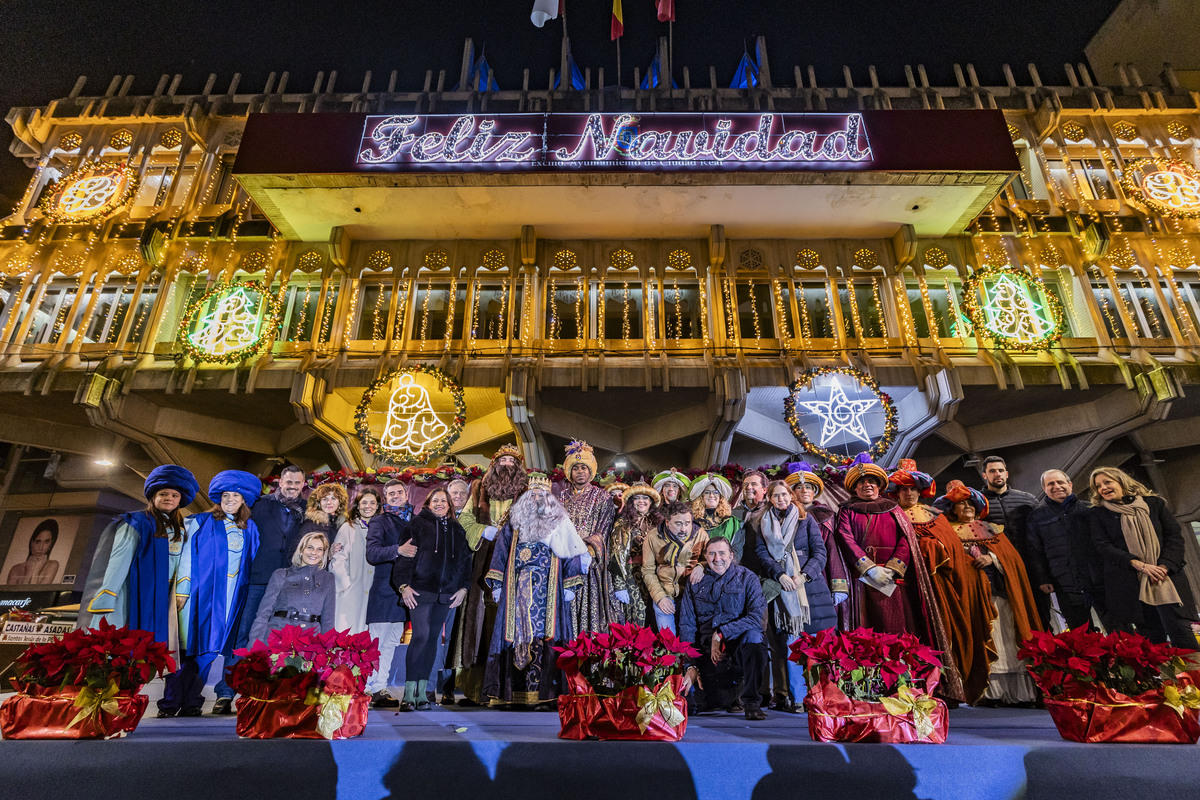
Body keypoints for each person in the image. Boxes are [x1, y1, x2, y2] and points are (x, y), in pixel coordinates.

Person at [833, 454, 961, 698]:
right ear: (854, 487)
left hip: (894, 580)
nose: (867, 485)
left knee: (896, 628)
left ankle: (903, 685)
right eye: (861, 482)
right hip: (863, 582)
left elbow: (906, 540)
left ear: (880, 485)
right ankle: (869, 686)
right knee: (865, 631)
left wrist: (892, 568)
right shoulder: (846, 511)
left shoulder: (894, 509)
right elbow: (845, 539)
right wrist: (869, 567)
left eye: (871, 481)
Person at [888, 460, 995, 704]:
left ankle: (945, 688)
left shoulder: (935, 516)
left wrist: (932, 548)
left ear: (920, 491)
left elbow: (953, 551)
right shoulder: (890, 515)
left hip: (939, 588)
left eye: (913, 488)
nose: (909, 492)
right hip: (904, 586)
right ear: (896, 492)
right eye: (904, 488)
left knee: (942, 632)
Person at [483, 473, 589, 707]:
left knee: (546, 636)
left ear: (549, 498)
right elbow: (500, 551)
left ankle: (546, 696)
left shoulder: (560, 522)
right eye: (533, 495)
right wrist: (498, 583)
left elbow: (571, 550)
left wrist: (571, 583)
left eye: (542, 495)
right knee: (517, 635)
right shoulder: (514, 522)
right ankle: (513, 694)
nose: (537, 499)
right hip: (516, 589)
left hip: (549, 590)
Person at [937, 480, 1042, 705]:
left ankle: (1019, 694)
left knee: (1007, 637)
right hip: (971, 598)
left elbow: (1013, 560)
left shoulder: (993, 530)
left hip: (1001, 595)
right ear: (952, 509)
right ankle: (988, 693)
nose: (967, 508)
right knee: (983, 636)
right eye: (962, 504)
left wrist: (992, 558)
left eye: (971, 504)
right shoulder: (948, 533)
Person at [79, 465, 201, 656]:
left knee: (153, 653)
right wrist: (109, 593)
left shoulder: (183, 529)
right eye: (163, 493)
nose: (169, 498)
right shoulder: (135, 522)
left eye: (174, 495)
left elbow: (185, 563)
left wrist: (182, 591)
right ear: (154, 496)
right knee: (122, 649)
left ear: (180, 500)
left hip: (164, 597)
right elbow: (119, 558)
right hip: (135, 593)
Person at [212, 464, 306, 713]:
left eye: (297, 483)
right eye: (289, 482)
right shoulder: (260, 503)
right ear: (280, 483)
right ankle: (225, 692)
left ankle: (268, 691)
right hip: (257, 578)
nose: (293, 487)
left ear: (303, 485)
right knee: (243, 634)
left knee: (281, 637)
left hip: (289, 581)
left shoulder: (308, 510)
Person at [174, 470, 261, 717]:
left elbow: (249, 562)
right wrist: (183, 589)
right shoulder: (200, 521)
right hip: (199, 595)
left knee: (211, 650)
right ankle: (175, 701)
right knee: (190, 649)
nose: (230, 499)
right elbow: (187, 556)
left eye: (236, 495)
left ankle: (190, 700)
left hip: (231, 597)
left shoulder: (250, 528)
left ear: (244, 499)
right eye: (226, 495)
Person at [749, 480, 837, 712]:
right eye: (776, 495)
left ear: (791, 496)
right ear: (769, 498)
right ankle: (798, 698)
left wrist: (804, 576)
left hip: (809, 588)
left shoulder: (805, 519)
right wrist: (779, 575)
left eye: (784, 495)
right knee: (790, 644)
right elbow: (761, 553)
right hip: (783, 588)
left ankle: (822, 697)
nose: (781, 499)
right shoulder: (763, 521)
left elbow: (820, 551)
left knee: (819, 645)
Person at [451, 444, 528, 705]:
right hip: (483, 558)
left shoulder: (527, 491)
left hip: (514, 560)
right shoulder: (478, 488)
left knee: (513, 617)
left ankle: (512, 688)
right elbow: (464, 520)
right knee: (480, 618)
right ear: (494, 464)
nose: (507, 464)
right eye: (503, 459)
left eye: (512, 460)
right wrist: (483, 531)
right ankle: (478, 690)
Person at [1087, 466, 1197, 648]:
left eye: (1107, 482)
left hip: (1165, 577)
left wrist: (1163, 567)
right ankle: (1164, 677)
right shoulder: (1098, 514)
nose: (1103, 488)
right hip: (1131, 580)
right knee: (1150, 637)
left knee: (1180, 630)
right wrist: (1140, 566)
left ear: (1121, 481)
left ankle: (1194, 676)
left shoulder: (1154, 504)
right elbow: (1103, 546)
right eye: (1098, 486)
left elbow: (1174, 537)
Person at [393, 488, 472, 711]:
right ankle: (409, 694)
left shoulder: (458, 529)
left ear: (449, 505)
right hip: (419, 591)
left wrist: (464, 589)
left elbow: (466, 563)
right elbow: (404, 559)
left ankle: (422, 694)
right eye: (435, 500)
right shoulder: (416, 524)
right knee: (421, 636)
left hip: (446, 594)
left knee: (433, 640)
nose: (439, 504)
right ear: (428, 503)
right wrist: (404, 586)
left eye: (443, 501)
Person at [679, 537, 769, 720]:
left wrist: (720, 633)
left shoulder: (747, 578)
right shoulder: (696, 581)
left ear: (731, 555)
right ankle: (730, 697)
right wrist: (691, 665)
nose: (717, 558)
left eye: (722, 553)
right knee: (694, 706)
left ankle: (751, 702)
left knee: (755, 638)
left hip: (737, 652)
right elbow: (687, 624)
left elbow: (756, 618)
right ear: (705, 557)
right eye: (712, 554)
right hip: (708, 657)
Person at [557, 440, 620, 634]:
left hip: (590, 563)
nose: (580, 471)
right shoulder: (560, 498)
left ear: (590, 471)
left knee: (590, 607)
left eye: (584, 467)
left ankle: (589, 656)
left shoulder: (602, 497)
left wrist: (587, 551)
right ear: (570, 472)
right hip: (564, 560)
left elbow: (604, 529)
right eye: (576, 468)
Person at [1026, 469, 1100, 631]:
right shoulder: (1037, 517)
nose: (1056, 486)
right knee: (1081, 636)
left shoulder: (1091, 510)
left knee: (1117, 629)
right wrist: (1042, 578)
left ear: (1070, 485)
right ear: (1044, 489)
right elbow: (1035, 551)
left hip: (1099, 580)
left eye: (1060, 482)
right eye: (1050, 484)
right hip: (1065, 584)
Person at [365, 480, 416, 708]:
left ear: (407, 494)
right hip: (385, 591)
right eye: (391, 493)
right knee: (377, 642)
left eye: (399, 492)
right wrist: (398, 550)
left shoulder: (416, 521)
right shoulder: (379, 521)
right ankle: (369, 687)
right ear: (385, 498)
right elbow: (373, 553)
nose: (395, 496)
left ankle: (380, 687)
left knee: (392, 642)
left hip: (408, 594)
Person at [248, 532, 336, 645]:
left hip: (310, 644)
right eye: (310, 547)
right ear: (301, 550)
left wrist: (327, 652)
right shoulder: (281, 575)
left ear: (323, 554)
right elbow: (263, 614)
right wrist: (254, 647)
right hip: (278, 638)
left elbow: (328, 620)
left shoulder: (328, 579)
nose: (314, 552)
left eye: (320, 549)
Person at [784, 462, 848, 618]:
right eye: (799, 487)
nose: (804, 490)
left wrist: (837, 584)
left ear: (815, 491)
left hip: (820, 573)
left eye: (809, 487)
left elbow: (832, 550)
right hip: (791, 572)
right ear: (792, 492)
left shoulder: (826, 515)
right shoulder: (783, 515)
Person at [641, 501, 707, 634]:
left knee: (690, 638)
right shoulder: (654, 536)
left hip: (691, 594)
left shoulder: (700, 534)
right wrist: (660, 597)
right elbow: (647, 570)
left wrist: (701, 566)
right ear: (667, 522)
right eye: (678, 524)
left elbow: (710, 560)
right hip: (665, 591)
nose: (684, 529)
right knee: (668, 638)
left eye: (687, 523)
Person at [329, 487, 381, 634]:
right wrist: (346, 585)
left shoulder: (380, 529)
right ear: (358, 506)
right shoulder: (348, 527)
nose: (368, 506)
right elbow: (338, 558)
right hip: (350, 592)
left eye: (372, 503)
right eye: (364, 502)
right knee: (346, 632)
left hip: (371, 591)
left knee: (364, 637)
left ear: (377, 506)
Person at [609, 482, 662, 627]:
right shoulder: (623, 523)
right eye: (637, 498)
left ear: (651, 502)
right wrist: (619, 585)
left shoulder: (658, 524)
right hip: (631, 575)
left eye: (645, 498)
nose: (641, 501)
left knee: (654, 615)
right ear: (631, 502)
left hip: (655, 576)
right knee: (638, 614)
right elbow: (616, 554)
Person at [688, 473, 743, 558]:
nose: (711, 495)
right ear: (701, 497)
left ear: (721, 497)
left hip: (722, 567)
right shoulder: (691, 521)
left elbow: (736, 552)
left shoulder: (733, 523)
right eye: (707, 492)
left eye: (716, 492)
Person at [7, 520, 60, 585]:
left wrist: (35, 572)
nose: (41, 548)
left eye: (46, 542)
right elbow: (10, 595)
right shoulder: (16, 569)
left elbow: (37, 594)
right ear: (32, 542)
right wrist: (28, 574)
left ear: (51, 544)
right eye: (38, 541)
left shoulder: (52, 565)